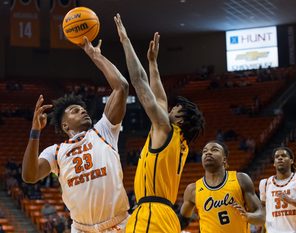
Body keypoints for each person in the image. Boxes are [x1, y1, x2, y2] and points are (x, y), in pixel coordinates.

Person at [21, 37, 130, 232]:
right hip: (82, 229)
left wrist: (96, 56)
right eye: (74, 110)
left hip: (119, 224)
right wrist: (35, 131)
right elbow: (30, 176)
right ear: (64, 125)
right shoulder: (55, 152)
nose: (82, 110)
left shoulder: (103, 131)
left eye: (82, 108)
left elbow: (121, 87)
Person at [114, 14, 205, 233]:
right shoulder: (177, 139)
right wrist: (153, 62)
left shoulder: (165, 128)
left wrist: (125, 41)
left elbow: (139, 81)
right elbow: (160, 98)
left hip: (150, 215)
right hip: (168, 217)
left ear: (180, 119)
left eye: (176, 109)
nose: (171, 108)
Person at [180, 140, 265, 233]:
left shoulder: (240, 179)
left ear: (224, 159)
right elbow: (182, 220)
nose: (208, 153)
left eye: (214, 150)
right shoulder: (192, 189)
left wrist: (248, 216)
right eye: (204, 151)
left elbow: (262, 216)